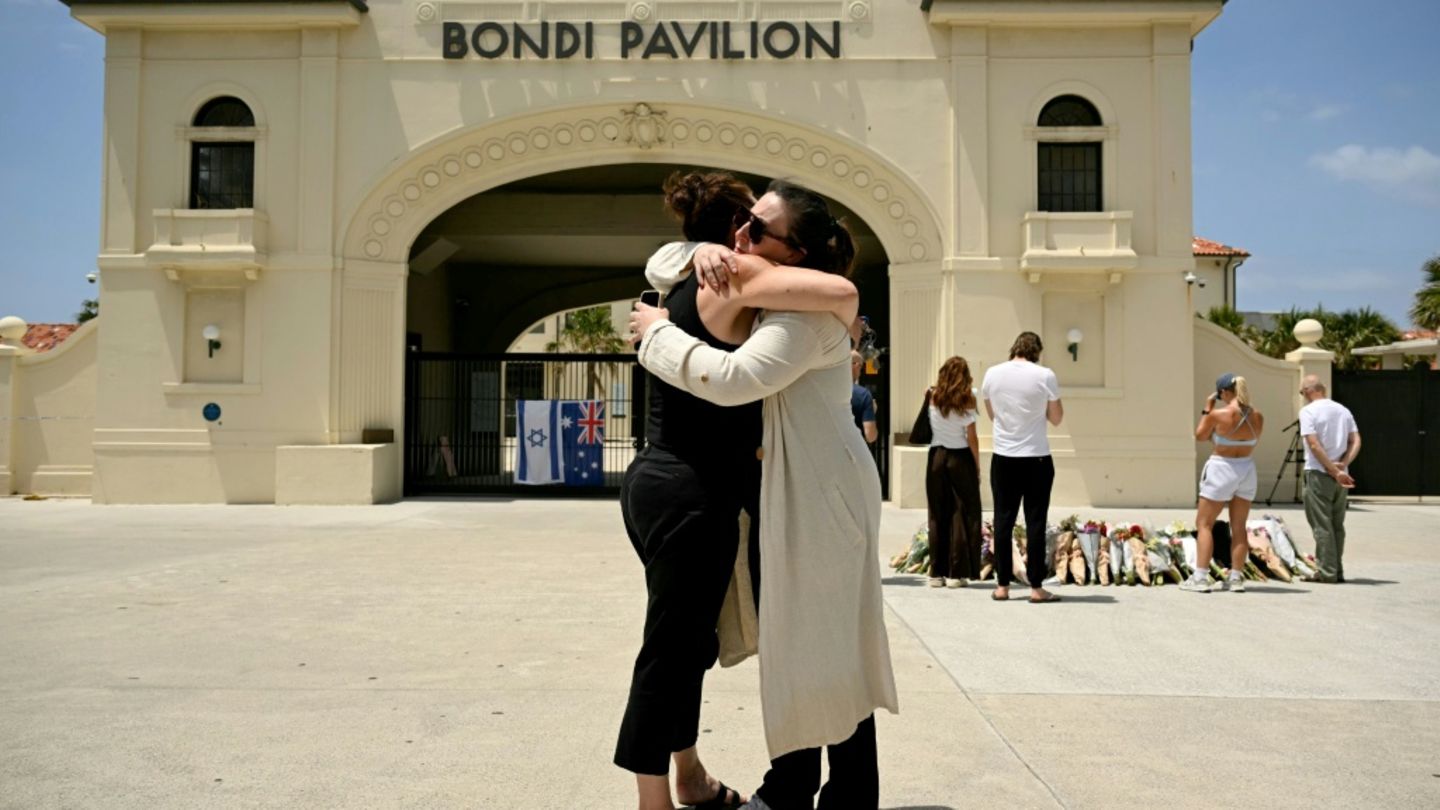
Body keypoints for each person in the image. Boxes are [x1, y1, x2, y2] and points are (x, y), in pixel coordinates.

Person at [630, 179, 898, 810]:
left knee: (825, 642)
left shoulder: (803, 317)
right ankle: (813, 787)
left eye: (756, 228)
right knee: (808, 641)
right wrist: (697, 250)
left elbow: (732, 380)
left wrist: (657, 333)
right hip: (800, 487)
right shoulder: (768, 289)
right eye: (742, 221)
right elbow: (666, 262)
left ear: (796, 252)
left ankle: (819, 791)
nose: (740, 234)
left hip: (822, 493)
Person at [980, 332, 1063, 603]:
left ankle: (1002, 586)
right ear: (1037, 351)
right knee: (1035, 522)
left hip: (1004, 456)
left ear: (1014, 348)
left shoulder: (992, 374)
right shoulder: (1045, 375)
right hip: (1036, 457)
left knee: (1003, 522)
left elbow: (992, 414)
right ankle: (1036, 587)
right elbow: (1056, 418)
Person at [1181, 372, 1265, 593]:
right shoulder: (1257, 416)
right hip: (1246, 468)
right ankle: (1236, 578)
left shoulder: (1218, 414)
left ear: (1224, 392)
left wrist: (1207, 408)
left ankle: (1200, 577)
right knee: (1238, 525)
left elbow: (1200, 435)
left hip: (1221, 467)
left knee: (1204, 524)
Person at [925, 356, 983, 589]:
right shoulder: (968, 399)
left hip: (936, 456)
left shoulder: (932, 395)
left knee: (936, 513)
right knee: (962, 512)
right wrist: (977, 465)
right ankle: (956, 573)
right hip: (960, 457)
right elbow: (972, 437)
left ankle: (936, 573)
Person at [1298, 374, 1360, 584]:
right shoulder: (1343, 410)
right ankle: (1336, 570)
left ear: (1309, 391)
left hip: (1318, 472)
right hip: (1341, 476)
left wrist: (1333, 469)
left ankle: (1327, 572)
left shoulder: (1308, 411)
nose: (1302, 395)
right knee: (1336, 524)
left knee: (1321, 524)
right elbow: (1356, 440)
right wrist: (1343, 464)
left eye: (1302, 392)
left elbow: (1314, 445)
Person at [850, 351, 878, 445]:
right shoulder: (863, 395)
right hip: (853, 449)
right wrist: (871, 412)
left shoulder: (826, 391)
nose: (860, 372)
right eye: (861, 367)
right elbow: (870, 436)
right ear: (856, 366)